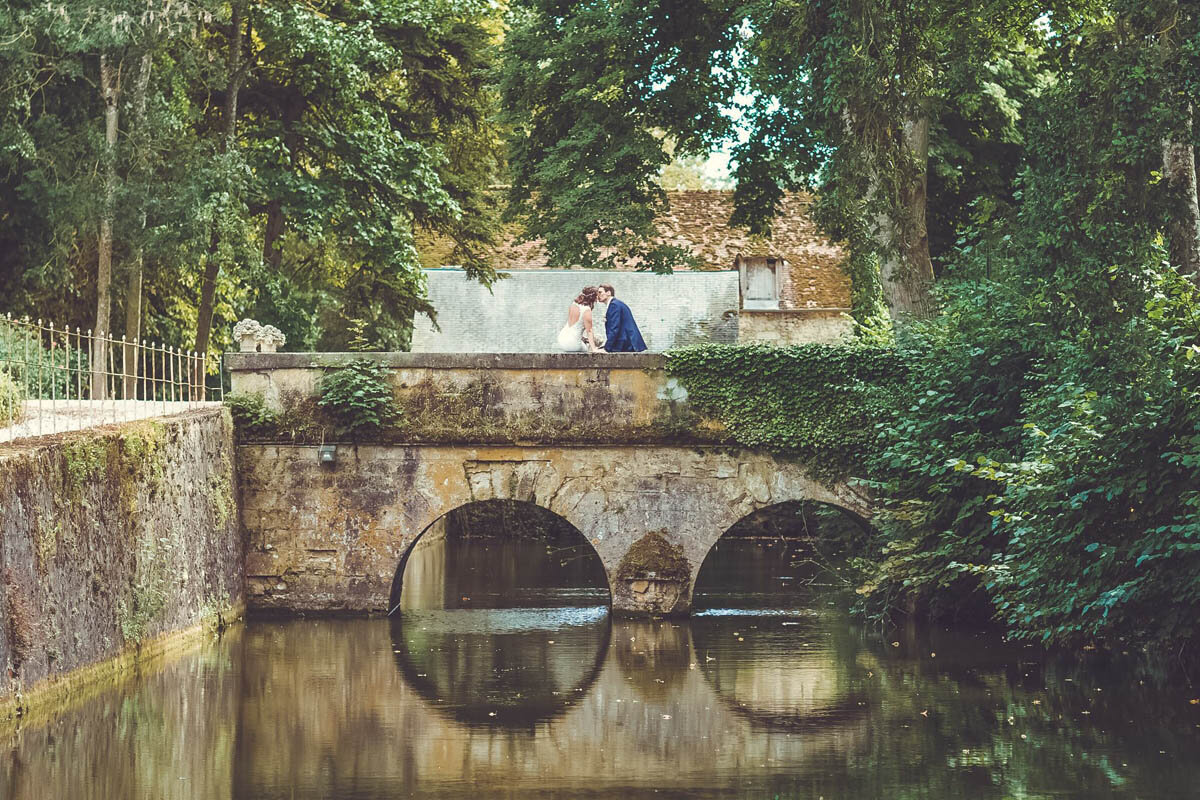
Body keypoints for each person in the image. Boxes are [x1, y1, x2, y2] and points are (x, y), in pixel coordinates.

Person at [597, 284, 647, 352]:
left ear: (608, 293)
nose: (598, 295)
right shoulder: (617, 303)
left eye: (600, 292)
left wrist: (606, 348)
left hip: (627, 344)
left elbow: (614, 328)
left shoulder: (614, 305)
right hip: (627, 342)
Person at [556, 286, 603, 352]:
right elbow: (589, 331)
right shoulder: (586, 310)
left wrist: (583, 338)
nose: (598, 297)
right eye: (597, 295)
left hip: (562, 339)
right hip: (572, 344)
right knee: (598, 340)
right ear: (593, 297)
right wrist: (594, 348)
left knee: (585, 340)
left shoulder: (574, 304)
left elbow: (574, 326)